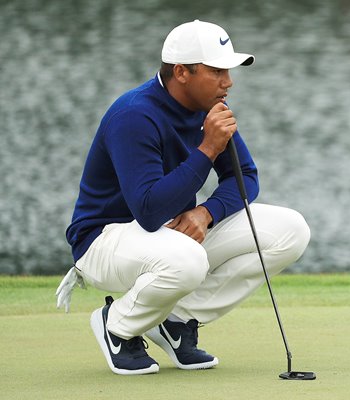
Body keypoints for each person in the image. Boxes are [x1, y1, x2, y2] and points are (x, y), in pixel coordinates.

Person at [56, 20, 311, 375]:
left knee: (290, 230)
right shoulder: (134, 115)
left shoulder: (208, 108)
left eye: (229, 71)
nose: (229, 81)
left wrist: (207, 212)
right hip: (103, 242)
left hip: (173, 237)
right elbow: (147, 210)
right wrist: (208, 148)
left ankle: (176, 321)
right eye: (217, 71)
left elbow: (246, 177)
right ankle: (117, 324)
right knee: (187, 259)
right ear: (182, 72)